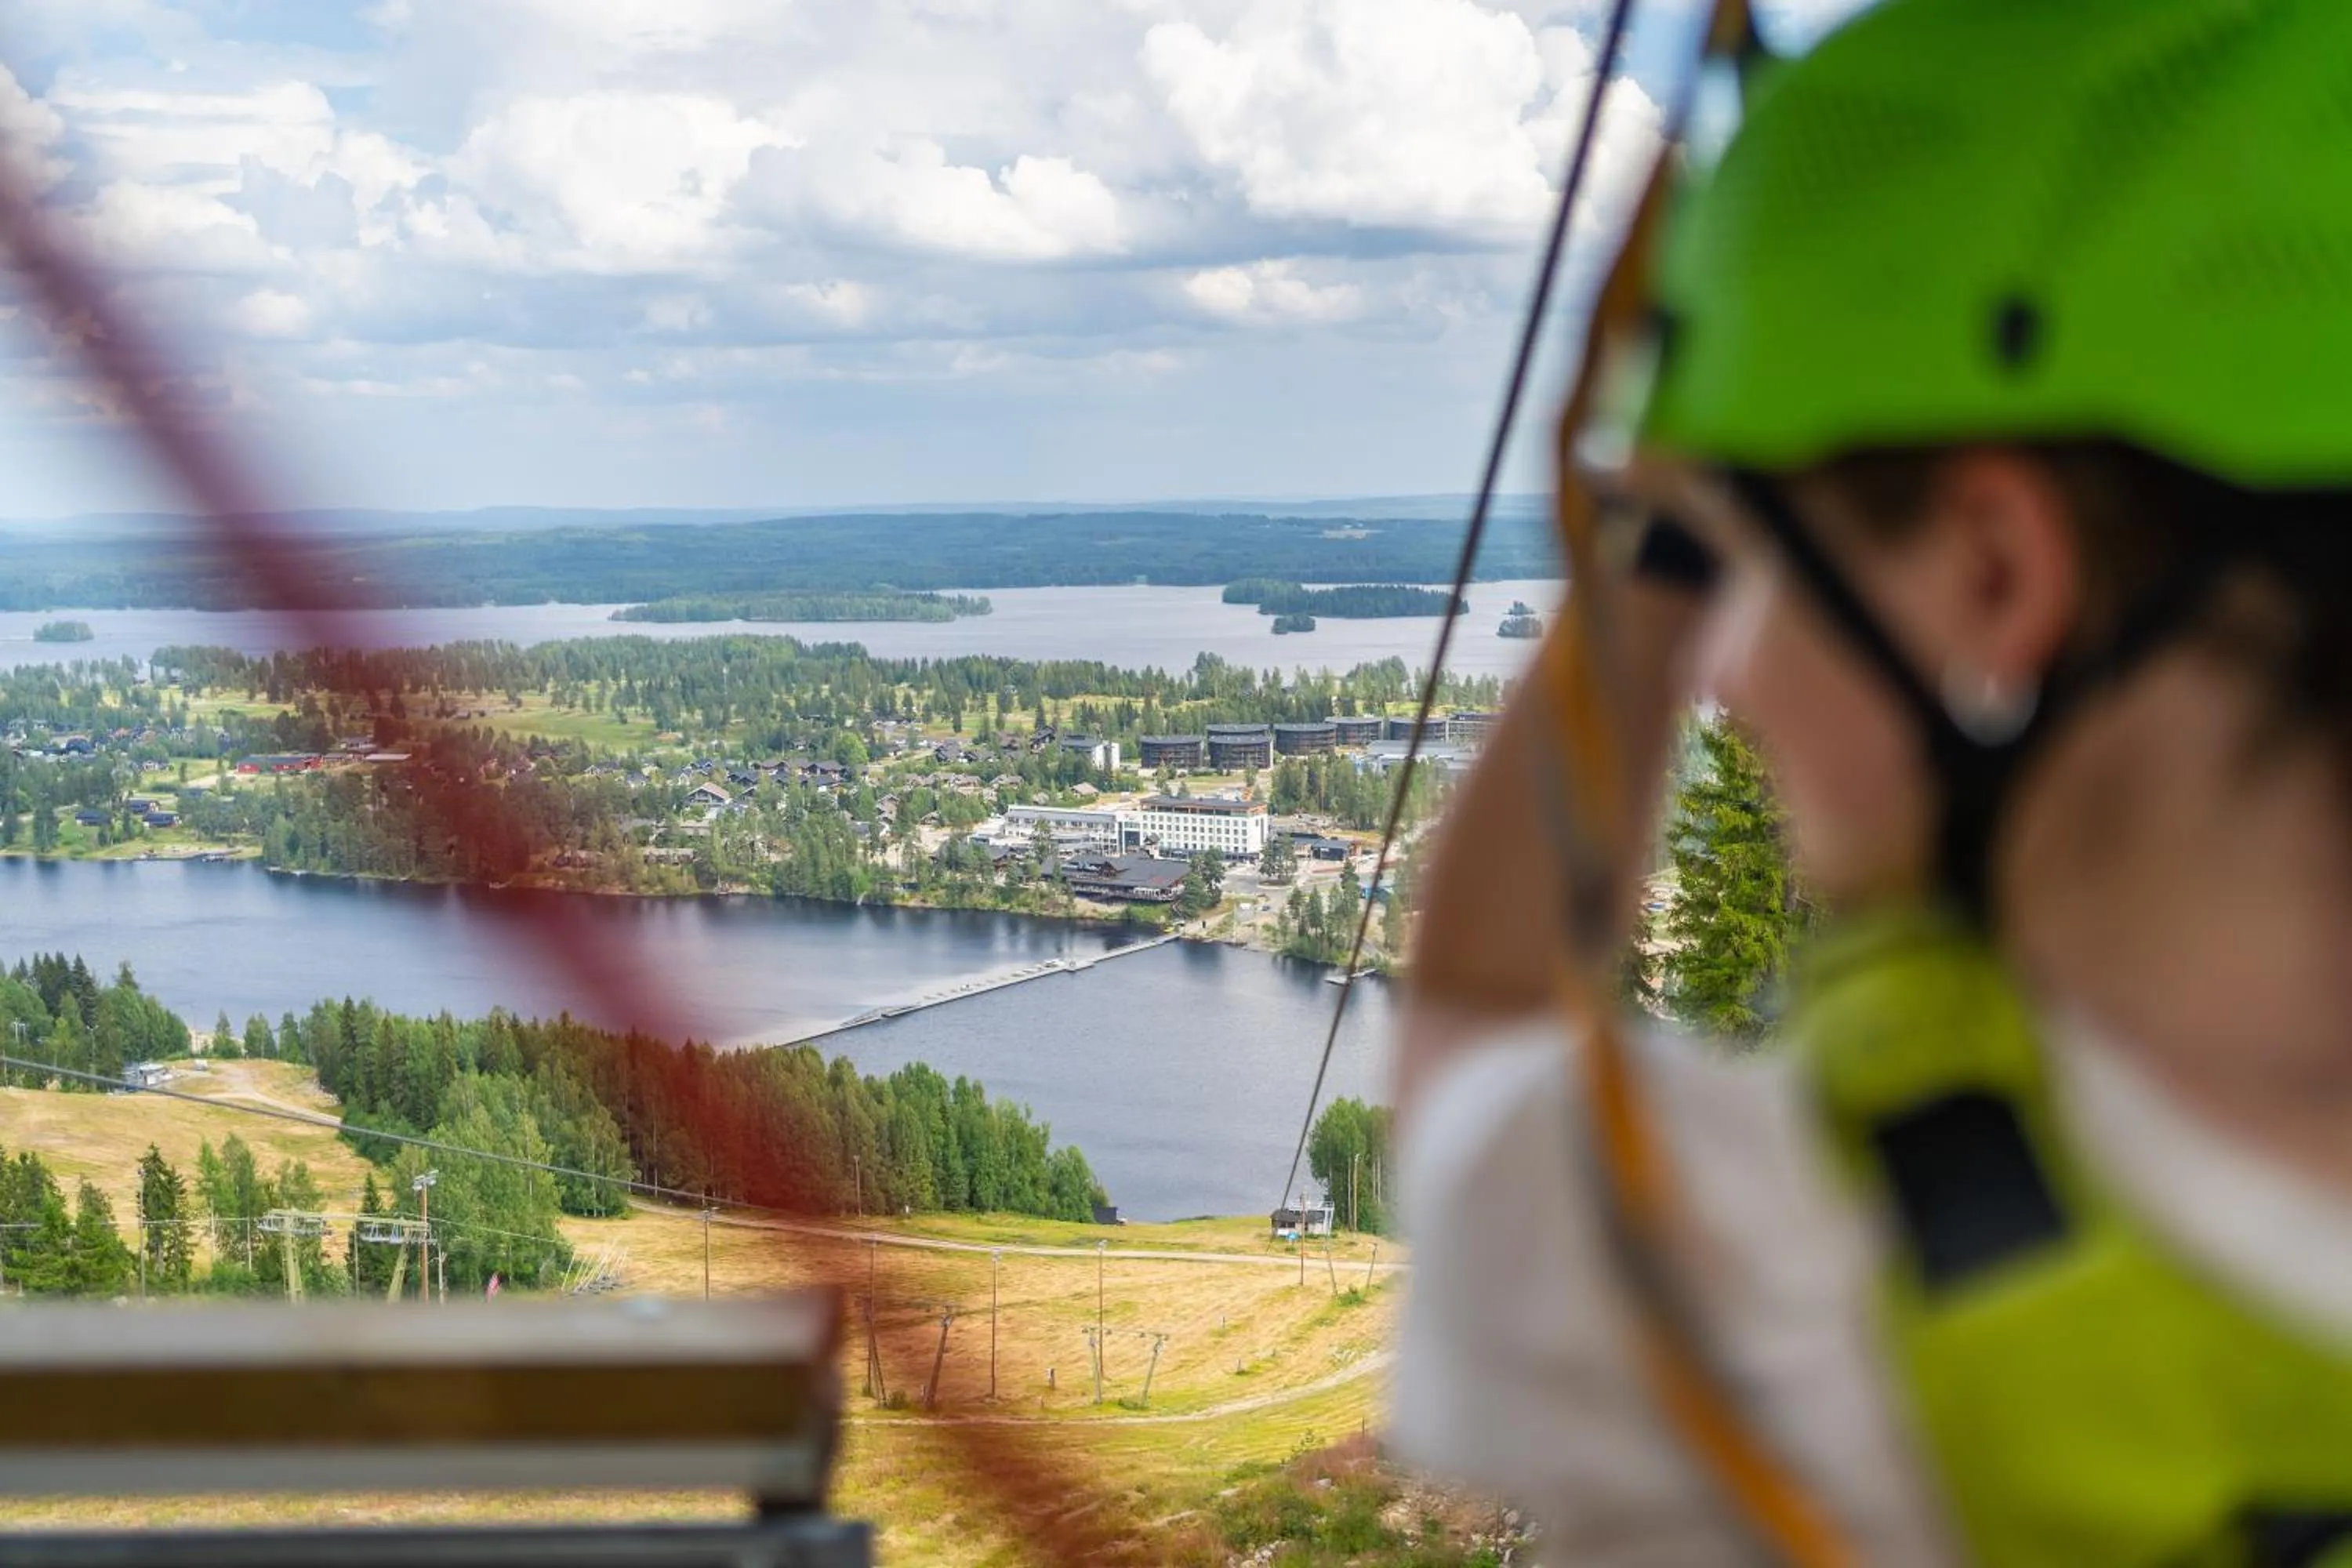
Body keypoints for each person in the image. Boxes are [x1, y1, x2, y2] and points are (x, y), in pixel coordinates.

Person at [1388, 2, 2352, 1563]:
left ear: (1992, 572)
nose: (1731, 673)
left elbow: (1477, 1036)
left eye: (1762, 567)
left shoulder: (1783, 1282)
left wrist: (1651, 553)